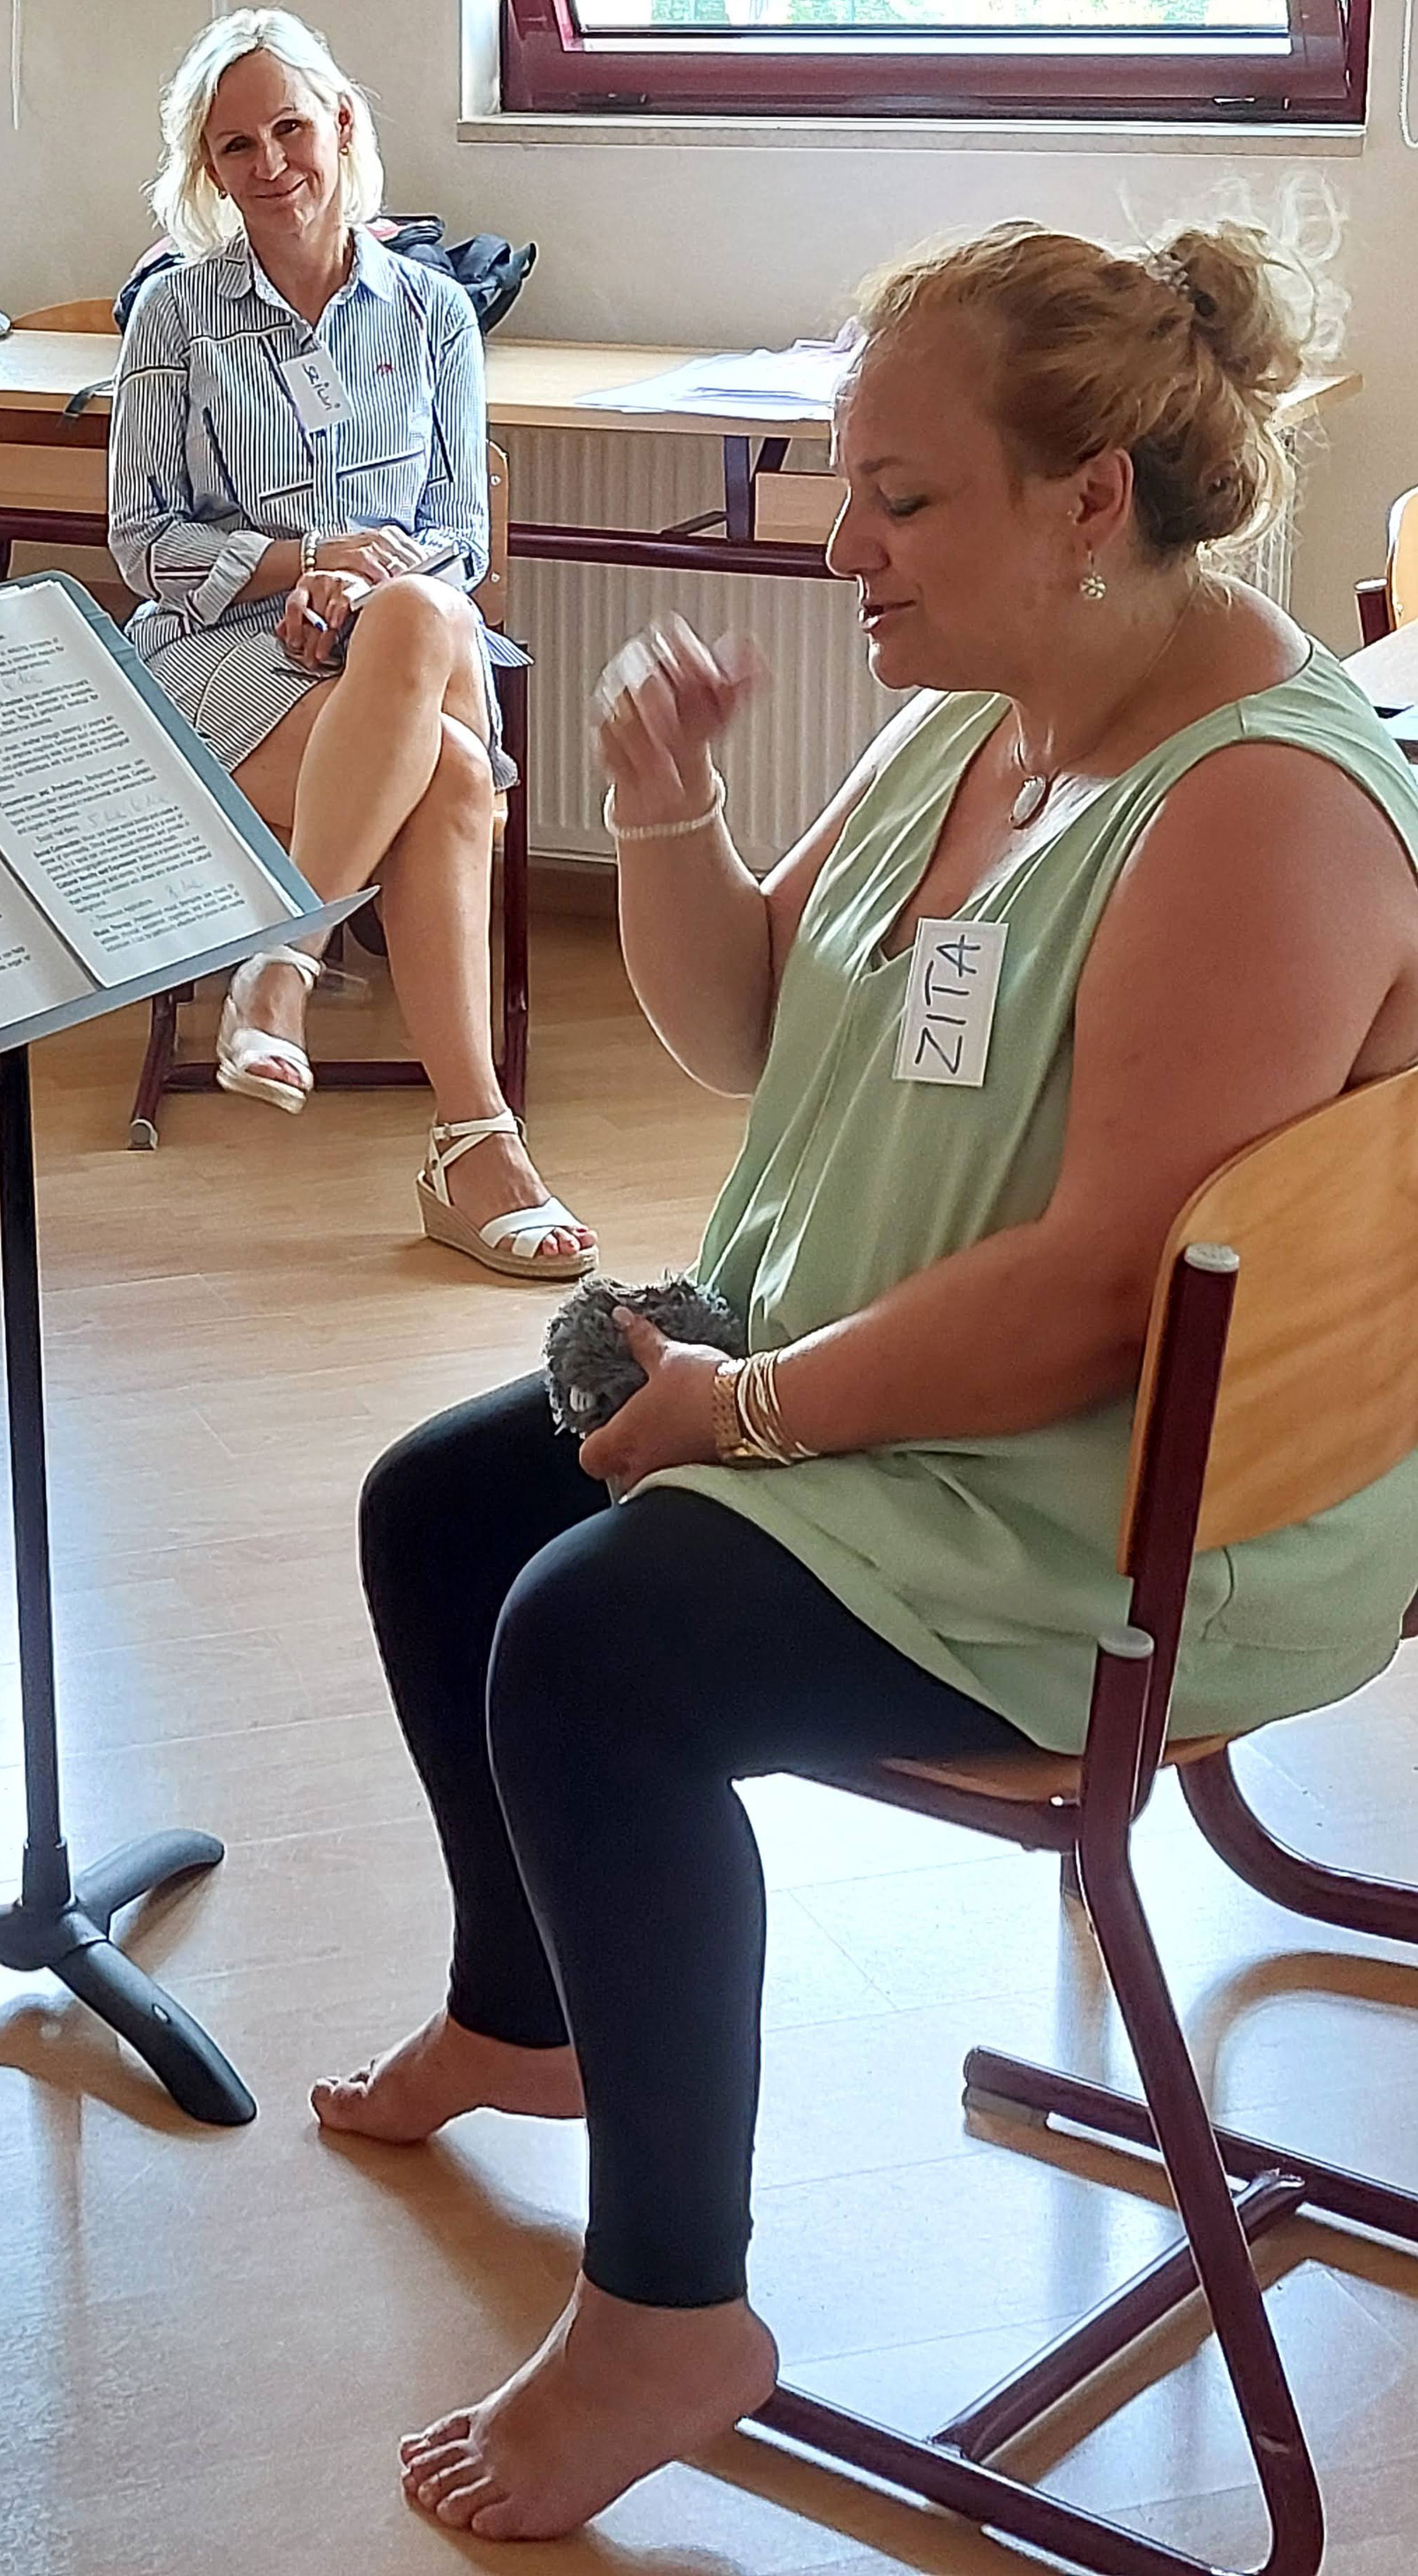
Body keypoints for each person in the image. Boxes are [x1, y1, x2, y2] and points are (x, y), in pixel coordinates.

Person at [313, 220, 1418, 2541]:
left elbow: (1104, 1293)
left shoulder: (1254, 808)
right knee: (441, 1508)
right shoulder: (987, 716)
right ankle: (526, 2013)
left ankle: (668, 2307)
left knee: (592, 1646)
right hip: (922, 1405)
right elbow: (747, 1022)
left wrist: (742, 1410)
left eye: (899, 499)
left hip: (1121, 1515)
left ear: (1087, 498)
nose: (845, 550)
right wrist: (666, 806)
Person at [108, 7, 591, 1280]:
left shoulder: (431, 312)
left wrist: (366, 584)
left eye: (288, 129)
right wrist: (299, 563)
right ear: (207, 170)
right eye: (235, 146)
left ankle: (282, 960)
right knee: (446, 769)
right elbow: (141, 543)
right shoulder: (172, 317)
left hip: (404, 639)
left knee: (423, 615)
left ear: (340, 127)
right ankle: (477, 1144)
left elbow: (456, 539)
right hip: (224, 654)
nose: (270, 164)